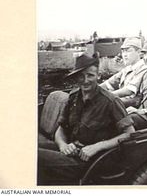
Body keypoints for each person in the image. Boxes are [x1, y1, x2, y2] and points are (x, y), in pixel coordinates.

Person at [37, 53, 134, 185]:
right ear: (76, 78)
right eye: (81, 76)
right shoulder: (73, 97)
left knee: (35, 157)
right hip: (71, 151)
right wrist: (63, 145)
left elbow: (130, 133)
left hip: (90, 161)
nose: (85, 80)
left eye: (90, 75)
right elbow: (61, 128)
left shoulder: (110, 101)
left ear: (98, 76)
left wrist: (98, 146)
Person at [100, 37, 147, 108]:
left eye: (128, 51)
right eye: (123, 51)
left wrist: (106, 97)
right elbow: (108, 83)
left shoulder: (144, 69)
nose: (124, 54)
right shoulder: (126, 69)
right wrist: (94, 90)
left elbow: (128, 91)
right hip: (123, 105)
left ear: (139, 52)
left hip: (135, 109)